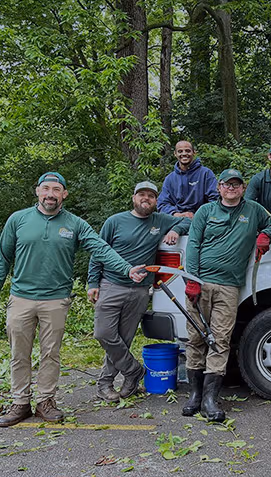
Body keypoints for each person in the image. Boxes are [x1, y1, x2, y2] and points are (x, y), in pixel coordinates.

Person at [0, 172, 146, 427]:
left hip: (56, 300)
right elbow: (3, 258)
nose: (50, 194)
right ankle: (20, 403)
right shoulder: (18, 220)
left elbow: (101, 249)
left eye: (56, 189)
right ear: (37, 191)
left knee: (50, 353)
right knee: (18, 354)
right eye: (46, 189)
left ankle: (46, 401)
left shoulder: (75, 224)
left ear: (64, 194)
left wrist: (126, 268)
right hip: (21, 298)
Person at [183, 169, 271, 422]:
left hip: (229, 287)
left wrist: (265, 235)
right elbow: (193, 244)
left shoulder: (254, 210)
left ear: (242, 187)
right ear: (219, 187)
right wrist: (192, 281)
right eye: (227, 184)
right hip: (201, 283)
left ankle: (210, 399)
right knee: (195, 338)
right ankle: (194, 395)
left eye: (236, 185)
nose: (231, 188)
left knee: (220, 339)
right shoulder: (206, 212)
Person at [87, 182, 190, 402]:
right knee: (104, 333)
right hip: (111, 285)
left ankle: (106, 384)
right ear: (134, 198)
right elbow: (98, 251)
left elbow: (189, 221)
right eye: (142, 195)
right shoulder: (114, 221)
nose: (146, 199)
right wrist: (92, 282)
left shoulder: (160, 220)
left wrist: (175, 229)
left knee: (124, 339)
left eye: (151, 196)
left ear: (156, 201)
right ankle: (134, 370)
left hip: (140, 291)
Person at [158, 140, 219, 218]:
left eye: (187, 151)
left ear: (194, 152)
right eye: (180, 151)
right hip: (176, 219)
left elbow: (215, 199)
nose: (184, 154)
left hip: (202, 218)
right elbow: (162, 204)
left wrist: (200, 215)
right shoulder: (169, 179)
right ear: (175, 154)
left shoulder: (206, 173)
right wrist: (177, 214)